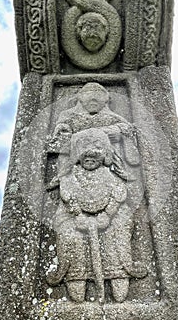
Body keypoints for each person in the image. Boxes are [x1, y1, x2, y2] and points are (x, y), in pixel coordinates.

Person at [47, 128, 147, 302]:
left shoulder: (110, 175)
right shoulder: (70, 177)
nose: (90, 159)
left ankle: (118, 273)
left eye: (96, 155)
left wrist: (108, 214)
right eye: (84, 155)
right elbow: (67, 196)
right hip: (76, 218)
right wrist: (77, 215)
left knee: (119, 226)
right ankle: (76, 276)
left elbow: (119, 194)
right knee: (70, 234)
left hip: (109, 218)